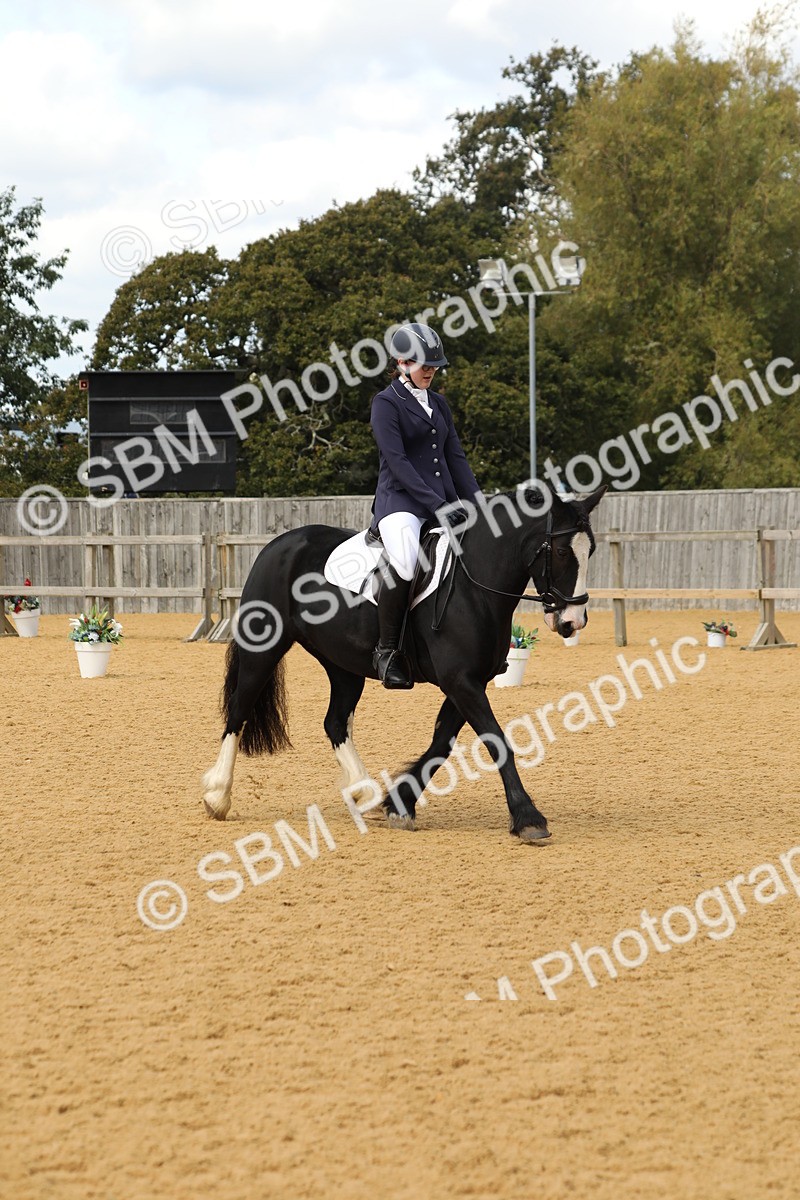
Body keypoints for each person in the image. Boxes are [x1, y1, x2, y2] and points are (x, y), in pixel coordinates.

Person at [369, 322, 481, 689]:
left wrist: (478, 504)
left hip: (442, 502)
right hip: (400, 503)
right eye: (422, 364)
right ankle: (387, 652)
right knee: (404, 560)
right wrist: (438, 505)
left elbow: (456, 458)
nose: (430, 370)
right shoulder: (386, 403)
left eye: (434, 365)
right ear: (401, 362)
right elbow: (398, 464)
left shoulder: (439, 403)